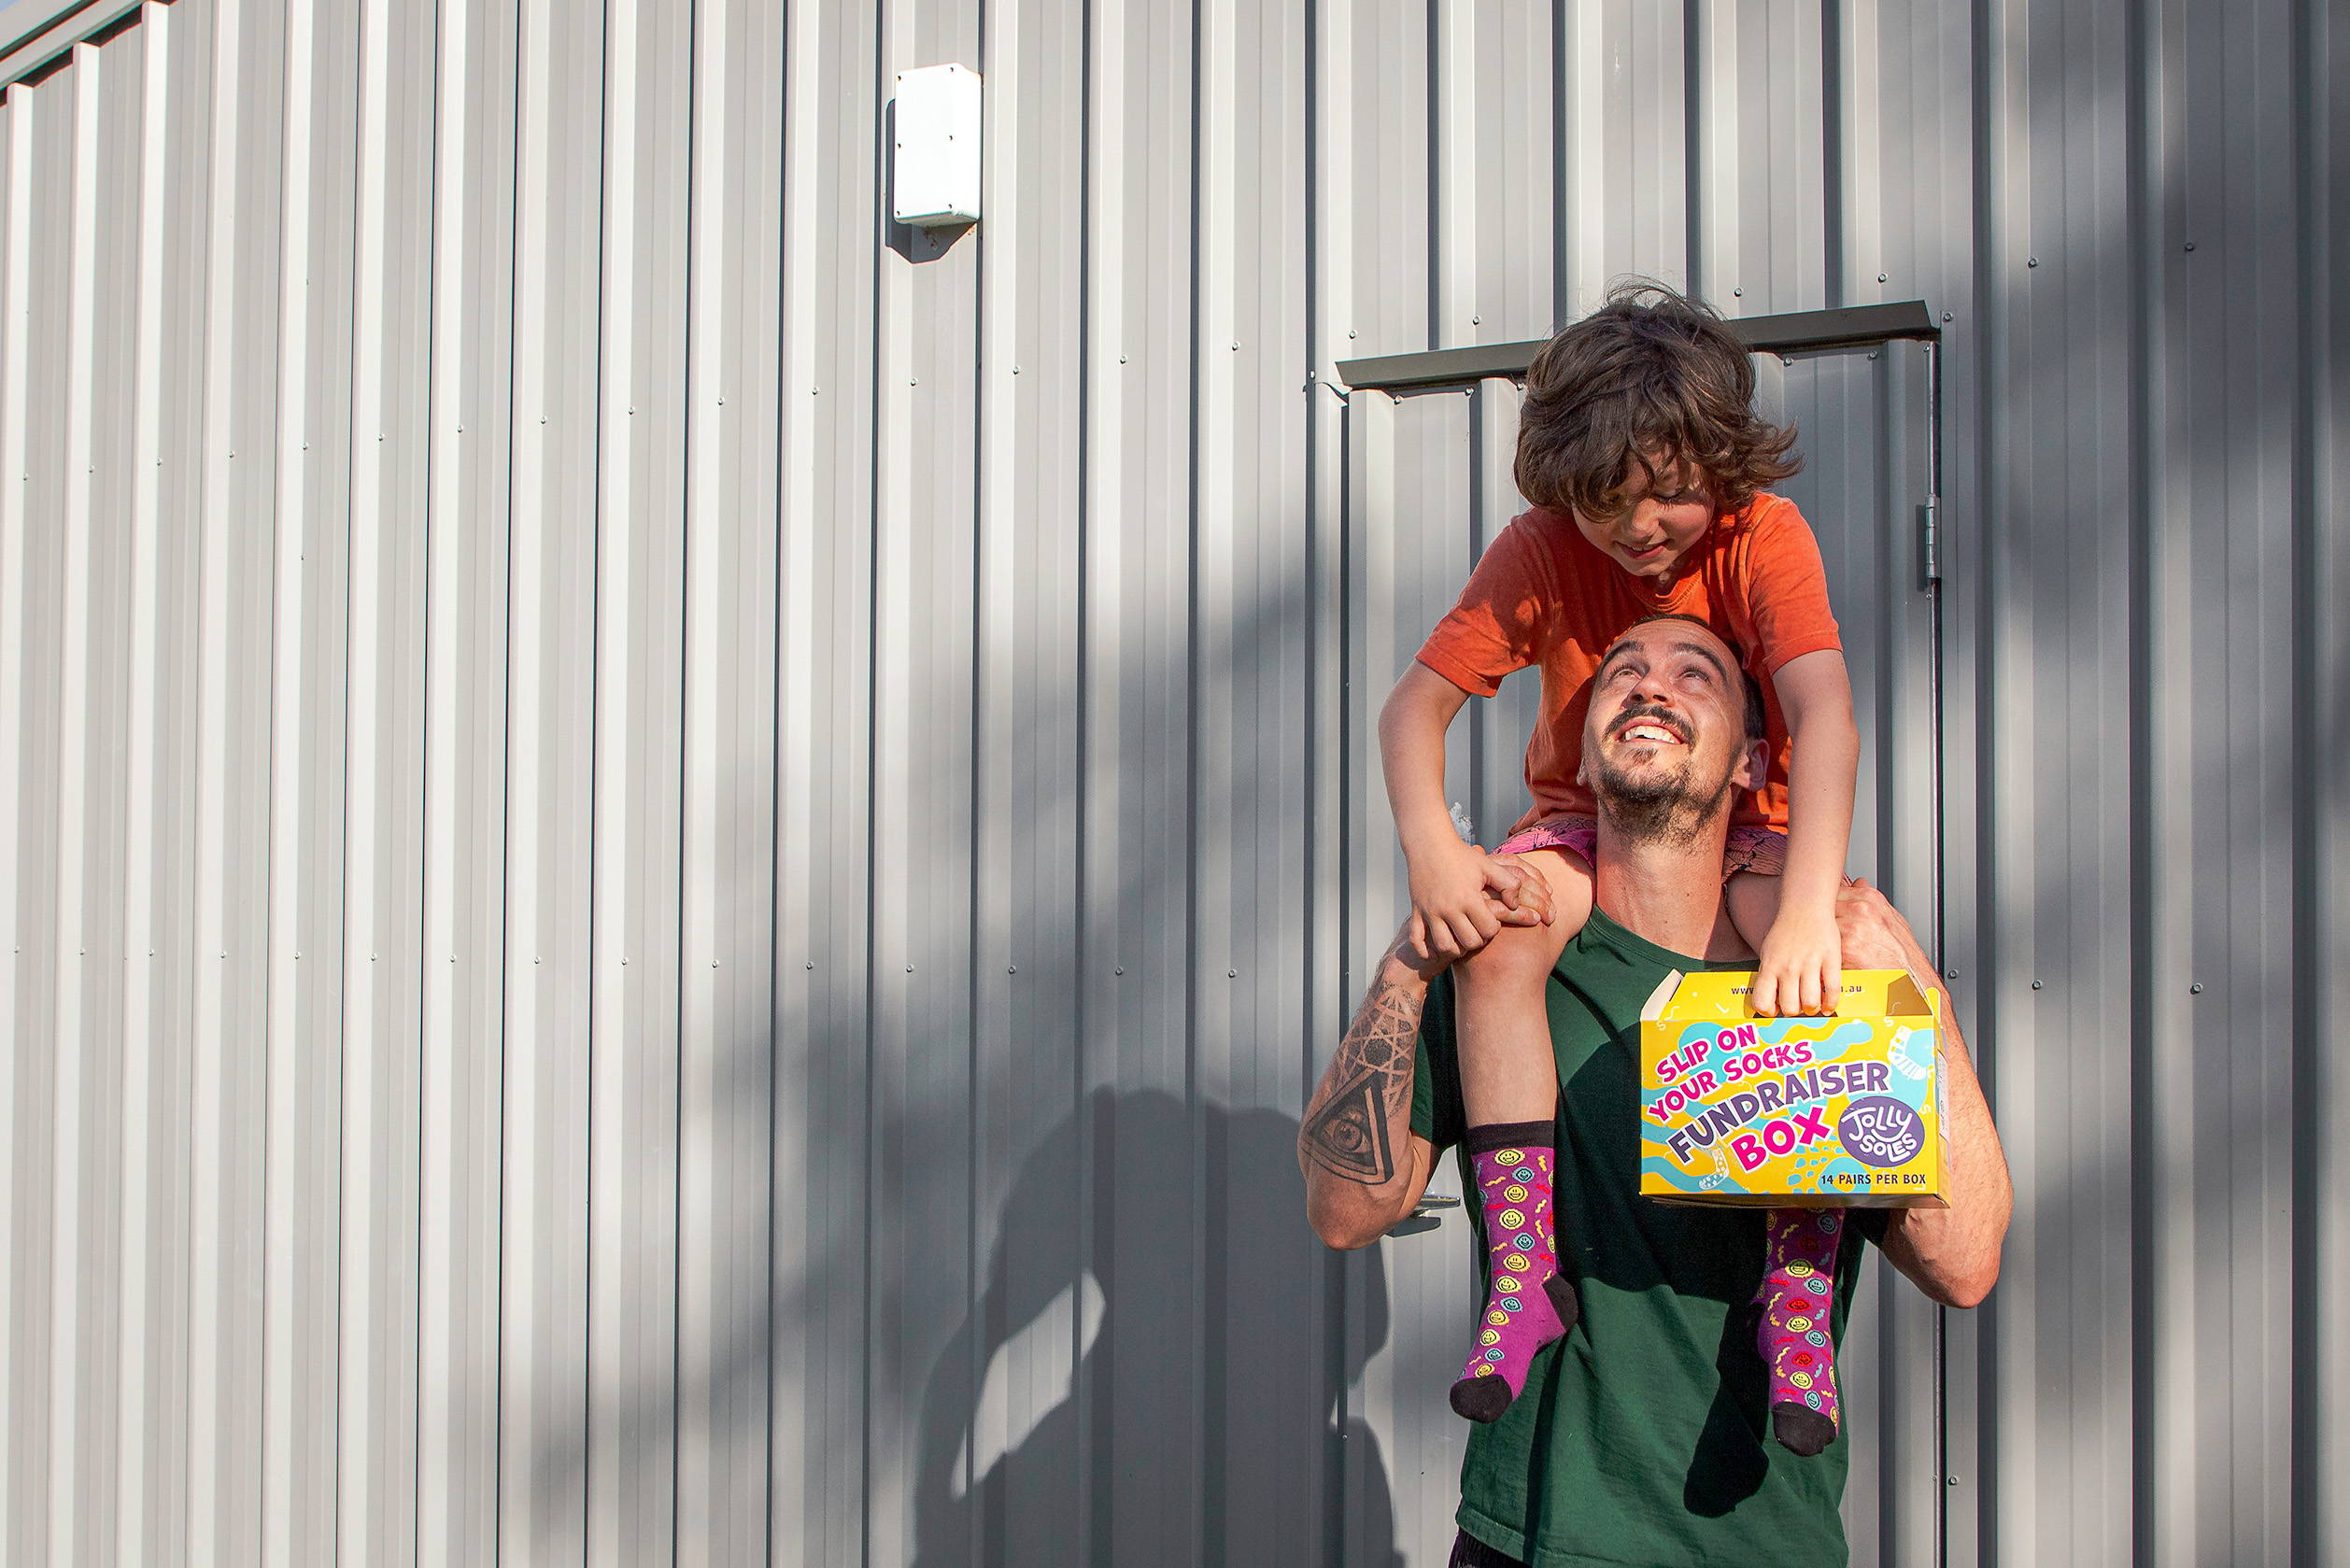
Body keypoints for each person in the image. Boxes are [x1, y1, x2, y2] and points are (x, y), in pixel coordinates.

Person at [1303, 615, 2010, 1568]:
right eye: (1621, 672)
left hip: (1764, 1543)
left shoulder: (1820, 980)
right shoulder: (1508, 970)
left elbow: (1961, 1265)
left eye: (1695, 675)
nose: (1648, 686)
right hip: (1532, 1538)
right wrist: (1403, 967)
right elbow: (1345, 1210)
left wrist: (1912, 986)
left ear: (1750, 758)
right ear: (1583, 761)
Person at [1378, 281, 1863, 1442]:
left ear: (1720, 464)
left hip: (1751, 823)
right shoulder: (1538, 549)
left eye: (1669, 498)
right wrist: (1437, 853)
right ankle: (1523, 1273)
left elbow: (1825, 713)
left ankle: (1792, 1300)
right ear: (1562, 492)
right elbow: (1413, 708)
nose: (1641, 532)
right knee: (1497, 940)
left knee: (1815, 975)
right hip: (1581, 822)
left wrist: (1800, 908)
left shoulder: (1762, 535)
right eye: (1608, 507)